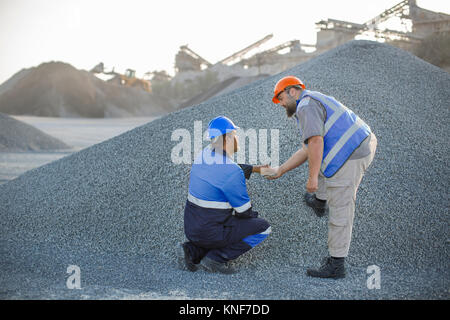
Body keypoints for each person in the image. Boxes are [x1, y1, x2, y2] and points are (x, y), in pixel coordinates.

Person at [267, 76, 377, 279]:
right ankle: (319, 200)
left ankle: (337, 265)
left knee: (341, 208)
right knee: (321, 160)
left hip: (351, 153)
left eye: (281, 98)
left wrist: (312, 180)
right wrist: (281, 170)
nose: (281, 104)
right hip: (360, 141)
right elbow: (308, 149)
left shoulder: (305, 106)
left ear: (292, 91)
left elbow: (316, 142)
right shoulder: (312, 100)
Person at [178, 116, 271, 274]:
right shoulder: (232, 171)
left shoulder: (203, 155)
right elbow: (244, 212)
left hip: (192, 229)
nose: (237, 138)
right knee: (263, 227)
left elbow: (225, 170)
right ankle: (216, 258)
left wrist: (256, 169)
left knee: (213, 221)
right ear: (227, 137)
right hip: (210, 233)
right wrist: (254, 217)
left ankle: (192, 250)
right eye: (235, 134)